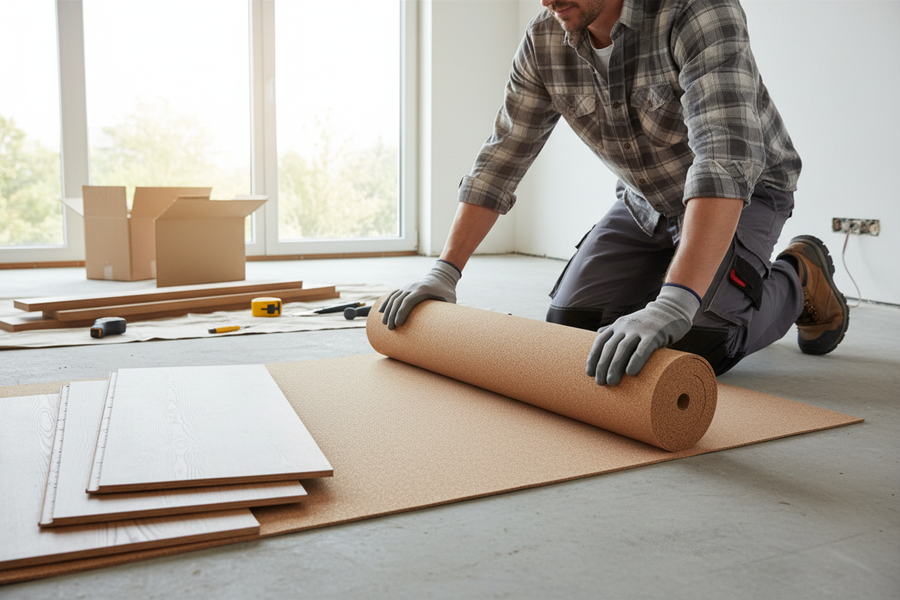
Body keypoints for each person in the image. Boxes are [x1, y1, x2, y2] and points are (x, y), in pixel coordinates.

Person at [379, 0, 849, 385]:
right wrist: (445, 271)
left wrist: (675, 302)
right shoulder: (544, 39)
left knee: (695, 339)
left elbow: (722, 161)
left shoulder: (696, 10)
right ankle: (691, 278)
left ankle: (798, 276)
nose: (546, 1)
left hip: (747, 191)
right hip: (646, 201)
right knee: (573, 332)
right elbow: (503, 155)